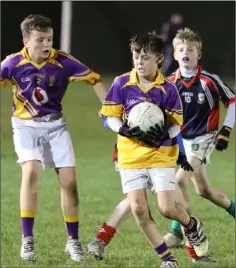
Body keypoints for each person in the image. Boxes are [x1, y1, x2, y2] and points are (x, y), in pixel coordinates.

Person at [94, 32, 209, 268]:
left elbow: (177, 124)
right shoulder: (121, 83)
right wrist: (124, 130)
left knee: (166, 208)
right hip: (130, 155)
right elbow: (108, 117)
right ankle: (167, 260)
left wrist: (171, 139)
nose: (139, 61)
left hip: (161, 154)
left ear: (159, 58)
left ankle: (190, 225)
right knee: (137, 208)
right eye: (136, 55)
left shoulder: (167, 89)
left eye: (145, 57)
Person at [0, 14, 107, 262]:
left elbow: (95, 79)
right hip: (25, 126)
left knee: (69, 182)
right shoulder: (13, 63)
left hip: (56, 126)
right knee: (32, 173)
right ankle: (27, 240)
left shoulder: (62, 61)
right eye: (40, 40)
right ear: (26, 40)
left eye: (49, 39)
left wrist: (109, 109)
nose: (47, 44)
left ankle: (73, 241)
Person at [162, 28, 235, 260]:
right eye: (181, 49)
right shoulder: (170, 82)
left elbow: (232, 101)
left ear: (198, 55)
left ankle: (181, 232)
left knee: (179, 179)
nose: (186, 53)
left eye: (191, 50)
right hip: (182, 141)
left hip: (204, 138)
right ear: (174, 54)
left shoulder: (208, 81)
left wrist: (226, 129)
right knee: (204, 191)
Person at [87, 127, 193, 261]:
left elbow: (174, 122)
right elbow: (109, 116)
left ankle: (101, 238)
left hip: (158, 155)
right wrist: (122, 127)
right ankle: (193, 251)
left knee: (165, 204)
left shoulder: (167, 105)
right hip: (132, 154)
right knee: (171, 204)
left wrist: (181, 153)